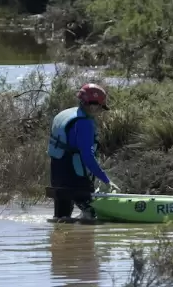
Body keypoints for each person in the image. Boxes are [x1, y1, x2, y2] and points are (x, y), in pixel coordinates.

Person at [47, 83, 120, 221]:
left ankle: (59, 242)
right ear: (93, 105)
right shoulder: (84, 124)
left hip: (57, 173)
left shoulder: (65, 114)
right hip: (75, 175)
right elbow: (87, 157)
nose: (99, 111)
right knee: (91, 216)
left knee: (61, 219)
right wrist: (106, 180)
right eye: (100, 107)